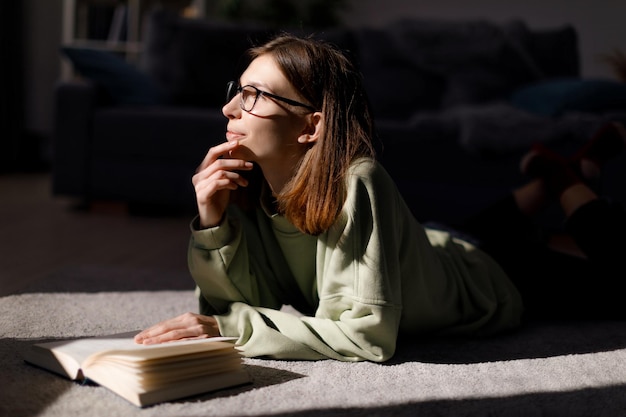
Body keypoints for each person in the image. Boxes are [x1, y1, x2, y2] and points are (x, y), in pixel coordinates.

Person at [135, 34, 626, 362]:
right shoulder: (251, 190)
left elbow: (368, 336)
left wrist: (231, 327)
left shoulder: (356, 181)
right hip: (429, 249)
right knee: (474, 229)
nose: (228, 108)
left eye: (254, 95)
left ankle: (562, 177)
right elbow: (243, 304)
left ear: (312, 125)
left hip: (494, 279)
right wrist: (212, 224)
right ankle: (562, 171)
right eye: (235, 91)